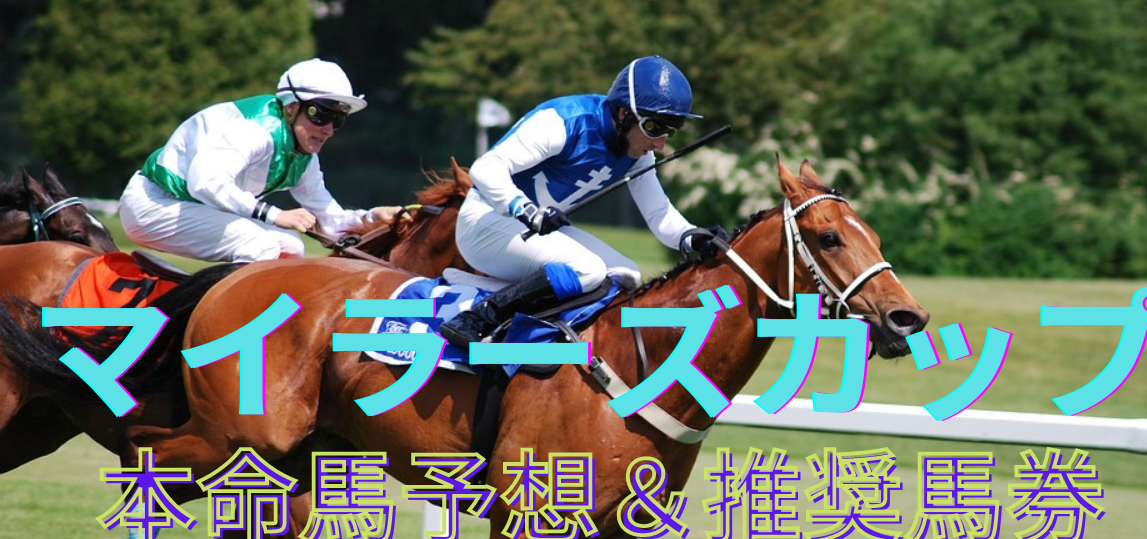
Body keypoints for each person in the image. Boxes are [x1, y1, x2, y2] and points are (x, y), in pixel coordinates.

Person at [439, 55, 726, 348]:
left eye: (669, 131)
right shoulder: (565, 121)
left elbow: (659, 212)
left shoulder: (638, 152)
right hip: (484, 223)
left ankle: (549, 341)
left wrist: (693, 236)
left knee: (626, 275)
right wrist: (527, 211)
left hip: (534, 232)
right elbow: (485, 168)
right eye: (653, 127)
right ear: (624, 114)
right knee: (587, 269)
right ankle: (476, 318)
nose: (660, 143)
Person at [118, 58, 400, 264]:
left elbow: (331, 222)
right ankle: (209, 322)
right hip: (154, 205)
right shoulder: (256, 131)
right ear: (291, 108)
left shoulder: (304, 156)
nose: (328, 129)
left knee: (291, 247)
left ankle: (265, 321)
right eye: (320, 115)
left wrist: (372, 219)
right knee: (260, 245)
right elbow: (205, 182)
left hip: (191, 208)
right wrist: (275, 215)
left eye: (337, 119)